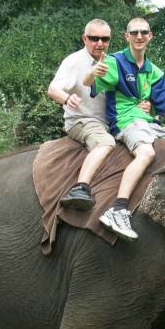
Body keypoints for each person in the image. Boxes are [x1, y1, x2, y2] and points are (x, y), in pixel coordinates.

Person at [84, 17, 165, 241]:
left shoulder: (154, 72)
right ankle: (118, 209)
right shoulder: (115, 61)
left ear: (150, 36)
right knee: (146, 152)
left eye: (143, 33)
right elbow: (90, 84)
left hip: (148, 122)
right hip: (126, 122)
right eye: (134, 33)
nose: (139, 37)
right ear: (127, 36)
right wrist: (92, 72)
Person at [47, 19, 115, 210]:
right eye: (94, 38)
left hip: (109, 124)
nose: (100, 43)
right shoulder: (74, 61)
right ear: (85, 38)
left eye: (104, 39)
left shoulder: (112, 62)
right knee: (105, 143)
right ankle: (80, 188)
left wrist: (145, 104)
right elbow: (53, 89)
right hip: (82, 121)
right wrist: (67, 99)